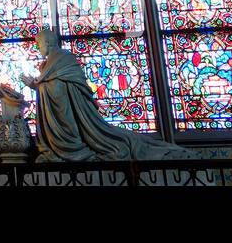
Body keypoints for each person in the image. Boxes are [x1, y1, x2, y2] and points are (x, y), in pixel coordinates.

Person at [23, 27, 191, 162]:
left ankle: (75, 151)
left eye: (38, 44)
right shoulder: (46, 65)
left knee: (115, 143)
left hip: (71, 115)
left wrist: (38, 84)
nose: (38, 48)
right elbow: (51, 86)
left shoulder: (64, 58)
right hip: (60, 116)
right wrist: (36, 85)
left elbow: (63, 87)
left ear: (47, 42)